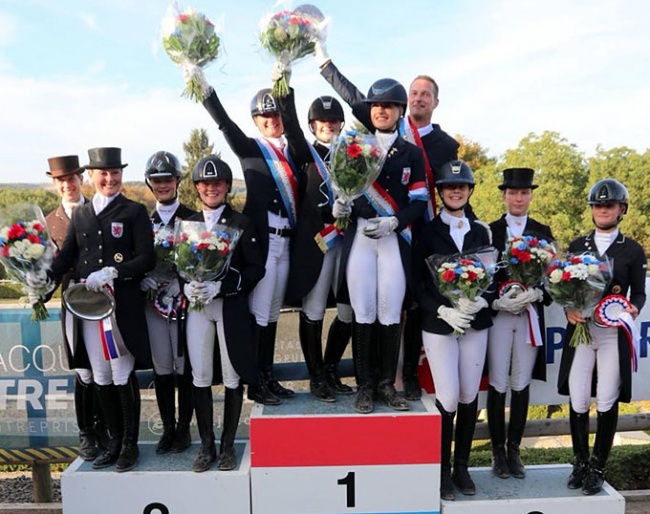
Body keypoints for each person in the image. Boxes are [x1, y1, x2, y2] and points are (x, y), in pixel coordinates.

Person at [314, 50, 429, 414]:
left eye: (390, 106)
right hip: (361, 235)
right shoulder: (353, 147)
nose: (382, 111)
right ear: (371, 111)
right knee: (362, 310)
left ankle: (385, 384)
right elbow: (343, 188)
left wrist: (396, 221)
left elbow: (420, 200)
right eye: (376, 105)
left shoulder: (410, 154)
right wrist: (341, 206)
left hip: (393, 237)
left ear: (399, 111)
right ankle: (365, 386)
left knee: (389, 310)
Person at [200, 82, 310, 405]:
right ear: (256, 120)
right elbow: (225, 124)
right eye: (264, 116)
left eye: (275, 114)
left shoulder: (295, 151)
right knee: (260, 313)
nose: (271, 120)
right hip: (264, 242)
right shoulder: (251, 149)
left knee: (274, 313)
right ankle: (256, 382)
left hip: (287, 241)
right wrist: (205, 88)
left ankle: (268, 375)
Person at [46, 147, 154, 472]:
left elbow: (147, 257)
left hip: (119, 306)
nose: (110, 179)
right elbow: (66, 257)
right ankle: (112, 440)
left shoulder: (133, 211)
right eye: (103, 173)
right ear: (91, 176)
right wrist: (42, 277)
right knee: (100, 374)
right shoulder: (80, 214)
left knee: (121, 373)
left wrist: (115, 272)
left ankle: (129, 447)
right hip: (89, 308)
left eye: (115, 172)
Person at [557, 178, 646, 495]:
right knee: (578, 396)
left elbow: (639, 294)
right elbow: (565, 287)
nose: (603, 210)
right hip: (582, 330)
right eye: (598, 205)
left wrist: (632, 310)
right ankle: (580, 462)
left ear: (621, 209)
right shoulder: (578, 245)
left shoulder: (632, 249)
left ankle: (598, 466)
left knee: (607, 397)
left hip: (611, 334)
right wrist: (568, 308)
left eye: (609, 205)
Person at [413, 160, 494, 500]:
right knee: (446, 394)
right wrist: (442, 309)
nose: (456, 191)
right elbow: (418, 282)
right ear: (441, 192)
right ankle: (441, 469)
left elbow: (492, 274)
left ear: (470, 190)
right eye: (449, 187)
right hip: (440, 322)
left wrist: (483, 301)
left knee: (468, 395)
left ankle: (462, 467)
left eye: (461, 187)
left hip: (475, 323)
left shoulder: (482, 231)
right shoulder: (428, 232)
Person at [182, 155, 265, 472]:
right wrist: (186, 285)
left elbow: (257, 268)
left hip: (228, 305)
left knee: (232, 376)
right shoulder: (188, 223)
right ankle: (206, 445)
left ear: (227, 186)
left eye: (217, 183)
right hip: (199, 307)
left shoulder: (241, 223)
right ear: (197, 188)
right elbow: (180, 264)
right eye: (205, 183)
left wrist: (228, 286)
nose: (211, 188)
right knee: (200, 375)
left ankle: (228, 446)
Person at [281, 90, 354, 401]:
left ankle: (331, 367)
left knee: (349, 311)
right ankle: (316, 378)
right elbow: (292, 129)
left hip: (348, 240)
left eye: (335, 119)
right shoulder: (305, 153)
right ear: (313, 125)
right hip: (319, 241)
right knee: (313, 310)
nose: (329, 124)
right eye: (322, 121)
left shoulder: (353, 153)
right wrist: (284, 89)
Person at [487, 168, 554, 479]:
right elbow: (484, 276)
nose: (518, 197)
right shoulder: (490, 231)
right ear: (504, 195)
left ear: (530, 196)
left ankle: (515, 450)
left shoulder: (542, 232)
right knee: (499, 382)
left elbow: (553, 277)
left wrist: (539, 292)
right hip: (501, 314)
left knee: (521, 382)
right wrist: (496, 300)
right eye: (513, 192)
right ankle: (497, 451)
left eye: (524, 192)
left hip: (528, 314)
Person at [400, 75, 460, 401]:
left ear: (435, 102)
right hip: (393, 228)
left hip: (424, 232)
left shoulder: (447, 145)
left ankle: (409, 372)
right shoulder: (392, 130)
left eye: (426, 94)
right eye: (414, 93)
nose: (419, 98)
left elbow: (454, 190)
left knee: (414, 301)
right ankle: (380, 376)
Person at [43, 155, 101, 461]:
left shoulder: (98, 209)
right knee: (83, 369)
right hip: (72, 301)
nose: (68, 185)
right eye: (61, 180)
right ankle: (87, 433)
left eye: (72, 179)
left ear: (81, 180)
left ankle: (107, 428)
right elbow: (47, 268)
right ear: (55, 184)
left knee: (106, 367)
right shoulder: (48, 223)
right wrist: (39, 288)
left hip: (103, 299)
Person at [139, 151, 197, 454]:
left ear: (177, 181)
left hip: (183, 303)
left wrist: (183, 282)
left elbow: (204, 259)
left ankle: (185, 429)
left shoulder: (192, 218)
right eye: (157, 180)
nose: (163, 185)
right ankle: (168, 428)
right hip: (153, 302)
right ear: (151, 184)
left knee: (183, 365)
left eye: (168, 179)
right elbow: (136, 259)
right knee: (162, 366)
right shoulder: (142, 221)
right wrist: (141, 278)